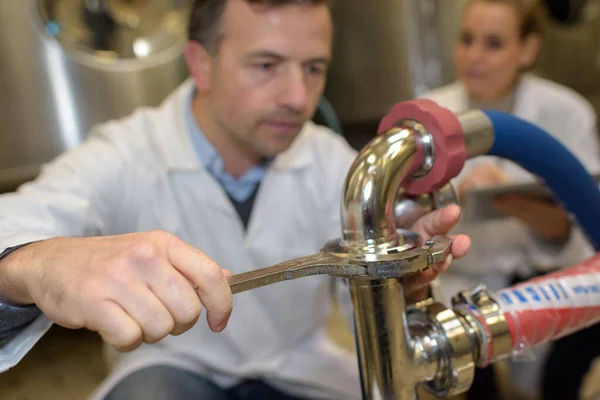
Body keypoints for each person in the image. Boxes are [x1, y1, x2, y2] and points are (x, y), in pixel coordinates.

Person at [0, 1, 472, 399]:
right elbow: (13, 223)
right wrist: (37, 262)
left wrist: (403, 286)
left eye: (314, 69)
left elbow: (374, 332)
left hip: (300, 369)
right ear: (201, 64)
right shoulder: (126, 153)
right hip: (170, 372)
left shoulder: (334, 164)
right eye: (266, 65)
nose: (297, 97)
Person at [423, 0, 600, 399]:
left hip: (552, 276)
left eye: (494, 43)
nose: (474, 57)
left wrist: (509, 198)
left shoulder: (566, 112)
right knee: (474, 381)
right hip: (464, 282)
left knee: (560, 381)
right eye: (466, 40)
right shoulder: (429, 115)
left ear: (528, 49)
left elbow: (581, 224)